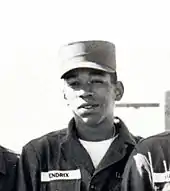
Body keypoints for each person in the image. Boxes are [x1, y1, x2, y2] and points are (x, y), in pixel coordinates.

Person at [17, 40, 141, 191]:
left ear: (118, 90)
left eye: (96, 81)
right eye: (74, 84)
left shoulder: (144, 155)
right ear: (64, 95)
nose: (84, 92)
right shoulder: (39, 154)